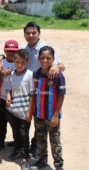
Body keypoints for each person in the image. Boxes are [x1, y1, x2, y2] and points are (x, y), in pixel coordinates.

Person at [23, 21, 65, 157]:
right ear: (24, 34)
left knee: (44, 126)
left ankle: (35, 145)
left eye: (33, 33)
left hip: (44, 88)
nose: (31, 35)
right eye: (28, 33)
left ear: (39, 33)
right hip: (32, 88)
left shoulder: (45, 48)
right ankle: (27, 143)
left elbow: (61, 65)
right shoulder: (26, 47)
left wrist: (56, 67)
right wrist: (0, 57)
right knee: (32, 118)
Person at [30, 46, 68, 170]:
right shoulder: (36, 73)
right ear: (38, 58)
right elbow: (34, 93)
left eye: (48, 58)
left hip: (52, 116)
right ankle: (42, 160)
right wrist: (32, 112)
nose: (45, 60)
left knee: (55, 142)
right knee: (40, 138)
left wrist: (56, 115)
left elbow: (61, 96)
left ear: (53, 59)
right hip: (39, 114)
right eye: (42, 58)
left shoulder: (57, 75)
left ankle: (59, 167)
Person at [5, 49, 35, 170]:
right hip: (12, 111)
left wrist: (29, 112)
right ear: (14, 61)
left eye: (22, 62)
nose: (19, 65)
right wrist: (8, 96)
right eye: (17, 62)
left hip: (24, 112)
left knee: (24, 135)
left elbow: (32, 95)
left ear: (27, 62)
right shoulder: (10, 74)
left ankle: (25, 158)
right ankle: (17, 151)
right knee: (16, 132)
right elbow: (8, 89)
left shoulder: (29, 75)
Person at [0, 39, 19, 154]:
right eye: (8, 51)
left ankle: (17, 142)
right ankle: (1, 141)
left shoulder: (20, 62)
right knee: (1, 122)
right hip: (2, 98)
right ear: (4, 50)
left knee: (16, 123)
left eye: (14, 51)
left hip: (16, 98)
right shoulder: (1, 63)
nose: (11, 53)